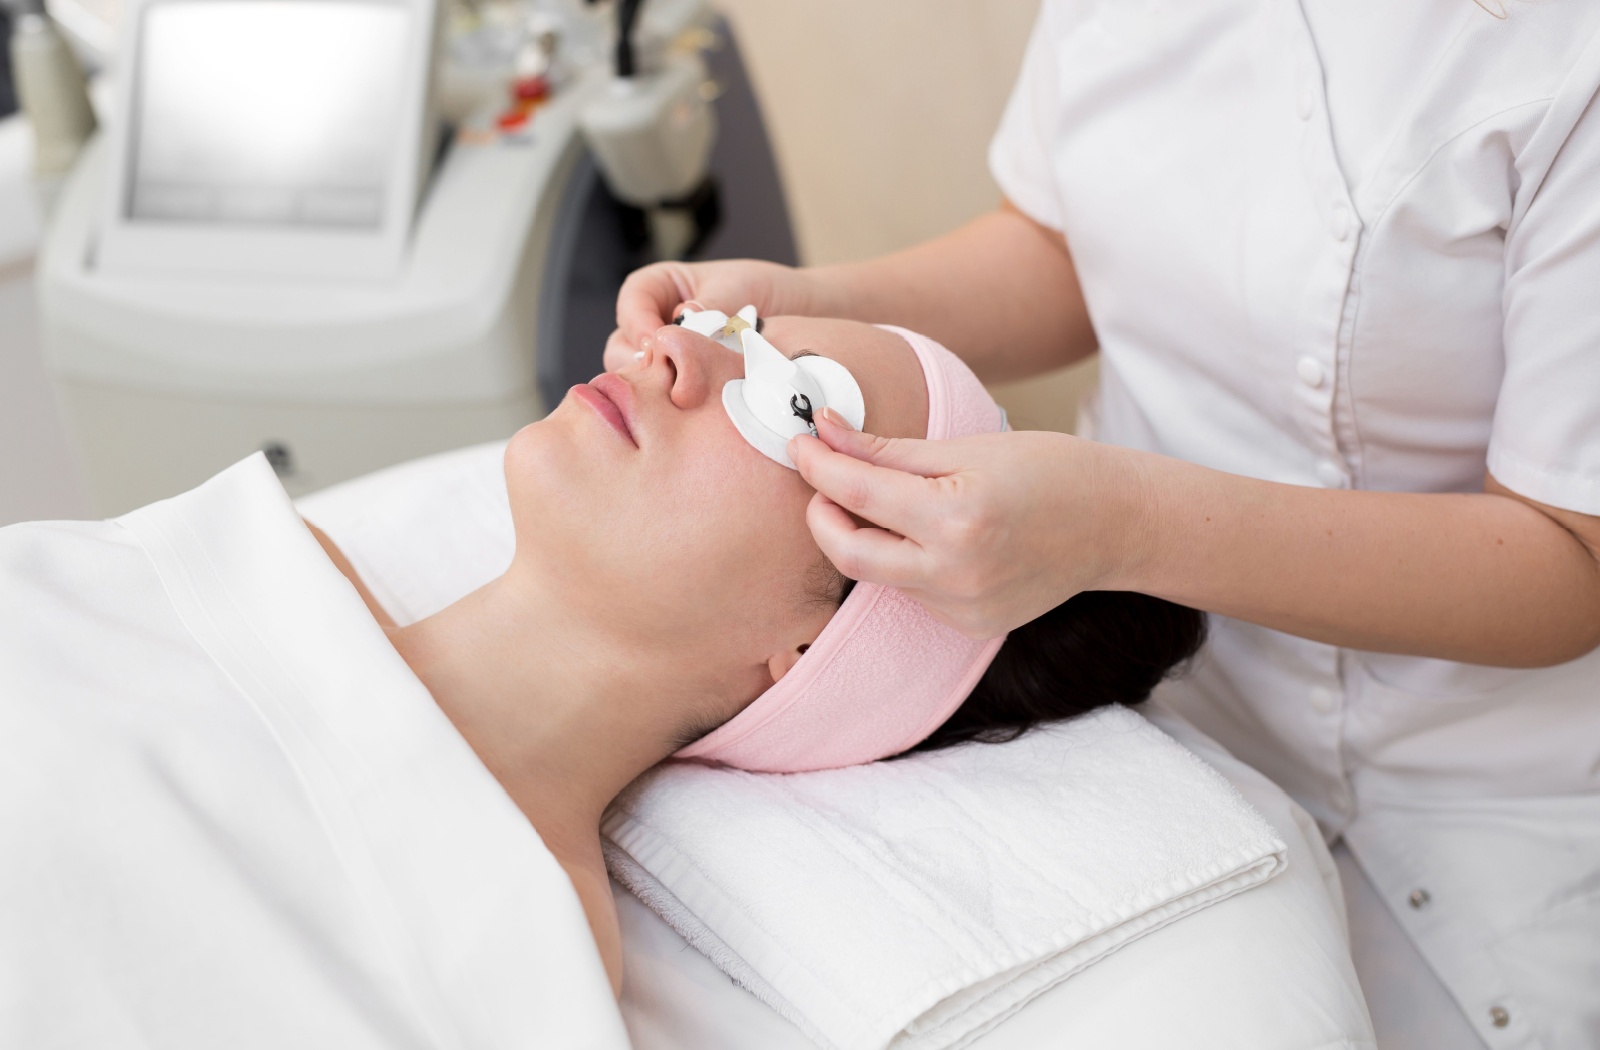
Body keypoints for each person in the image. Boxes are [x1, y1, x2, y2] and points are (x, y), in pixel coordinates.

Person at [604, 6, 1600, 1048]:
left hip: (1480, 782)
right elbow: (1067, 246)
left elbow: (1572, 560)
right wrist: (806, 298)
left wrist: (1123, 526)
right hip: (1161, 719)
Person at [0, 316, 1202, 1046]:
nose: (670, 352)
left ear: (808, 654)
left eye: (793, 404)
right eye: (732, 329)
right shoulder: (212, 565)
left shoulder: (505, 971)